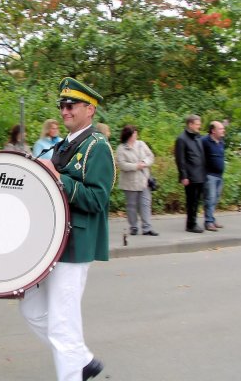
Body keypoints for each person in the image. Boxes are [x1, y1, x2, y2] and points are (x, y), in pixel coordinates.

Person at [19, 77, 115, 381]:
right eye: (62, 105)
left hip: (75, 244)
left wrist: (58, 178)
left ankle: (73, 371)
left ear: (90, 109)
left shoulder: (97, 146)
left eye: (70, 105)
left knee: (62, 324)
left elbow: (98, 199)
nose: (64, 110)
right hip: (49, 242)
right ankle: (82, 359)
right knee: (32, 311)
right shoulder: (63, 145)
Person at [116, 125, 158, 236]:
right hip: (130, 182)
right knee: (131, 205)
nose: (136, 135)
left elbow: (150, 156)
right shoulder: (121, 148)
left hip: (144, 180)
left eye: (136, 133)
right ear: (128, 135)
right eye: (134, 133)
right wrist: (136, 166)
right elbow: (122, 164)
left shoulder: (141, 144)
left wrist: (145, 162)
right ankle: (133, 226)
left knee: (145, 204)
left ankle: (147, 227)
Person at [174, 114, 206, 234]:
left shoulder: (198, 137)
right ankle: (191, 224)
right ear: (190, 124)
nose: (199, 126)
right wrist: (184, 175)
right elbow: (180, 159)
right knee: (191, 201)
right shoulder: (182, 139)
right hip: (191, 175)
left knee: (197, 200)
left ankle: (194, 221)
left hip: (200, 174)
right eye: (197, 124)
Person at [202, 121, 226, 231]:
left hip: (219, 175)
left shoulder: (221, 142)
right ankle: (208, 222)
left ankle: (212, 218)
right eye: (220, 129)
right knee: (210, 199)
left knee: (215, 198)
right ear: (213, 130)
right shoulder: (205, 141)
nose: (223, 130)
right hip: (209, 175)